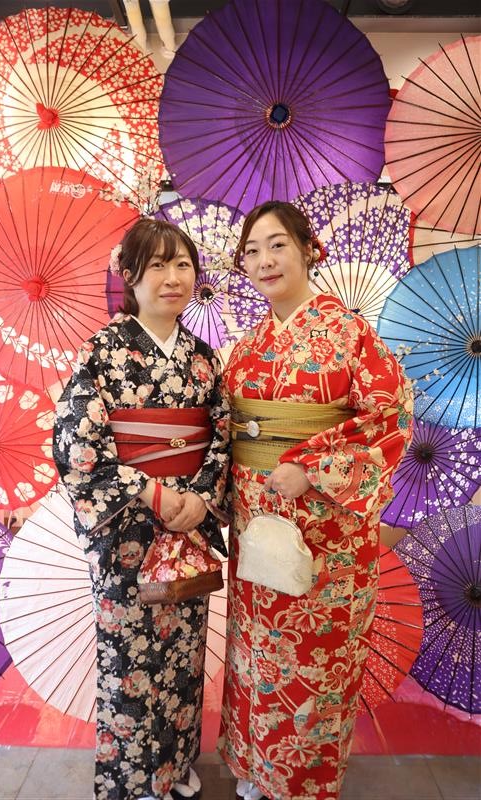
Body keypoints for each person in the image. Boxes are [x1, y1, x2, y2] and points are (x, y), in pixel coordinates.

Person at [218, 201, 413, 800]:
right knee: (258, 649)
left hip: (329, 533)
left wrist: (314, 465)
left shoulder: (349, 332)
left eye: (277, 245)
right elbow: (230, 429)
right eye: (252, 250)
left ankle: (302, 779)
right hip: (257, 520)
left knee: (316, 657)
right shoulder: (247, 346)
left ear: (308, 250)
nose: (264, 260)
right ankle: (257, 765)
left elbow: (391, 415)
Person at [53, 218, 230, 800]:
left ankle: (174, 766)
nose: (172, 277)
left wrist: (201, 497)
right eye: (157, 265)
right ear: (128, 274)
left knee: (184, 649)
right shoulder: (101, 351)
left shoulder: (204, 359)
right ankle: (131, 778)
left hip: (188, 527)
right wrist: (151, 491)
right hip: (126, 529)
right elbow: (77, 443)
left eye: (182, 264)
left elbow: (221, 437)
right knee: (127, 653)